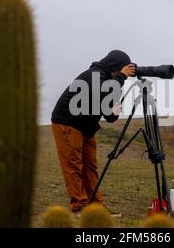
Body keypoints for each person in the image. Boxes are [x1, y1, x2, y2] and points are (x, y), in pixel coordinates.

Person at [51, 50, 135, 215]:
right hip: (67, 122)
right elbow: (104, 91)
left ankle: (96, 208)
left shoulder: (109, 81)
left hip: (86, 127)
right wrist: (122, 77)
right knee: (73, 164)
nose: (123, 74)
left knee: (90, 167)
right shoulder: (95, 74)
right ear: (115, 66)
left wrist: (114, 111)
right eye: (122, 69)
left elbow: (108, 114)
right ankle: (79, 205)